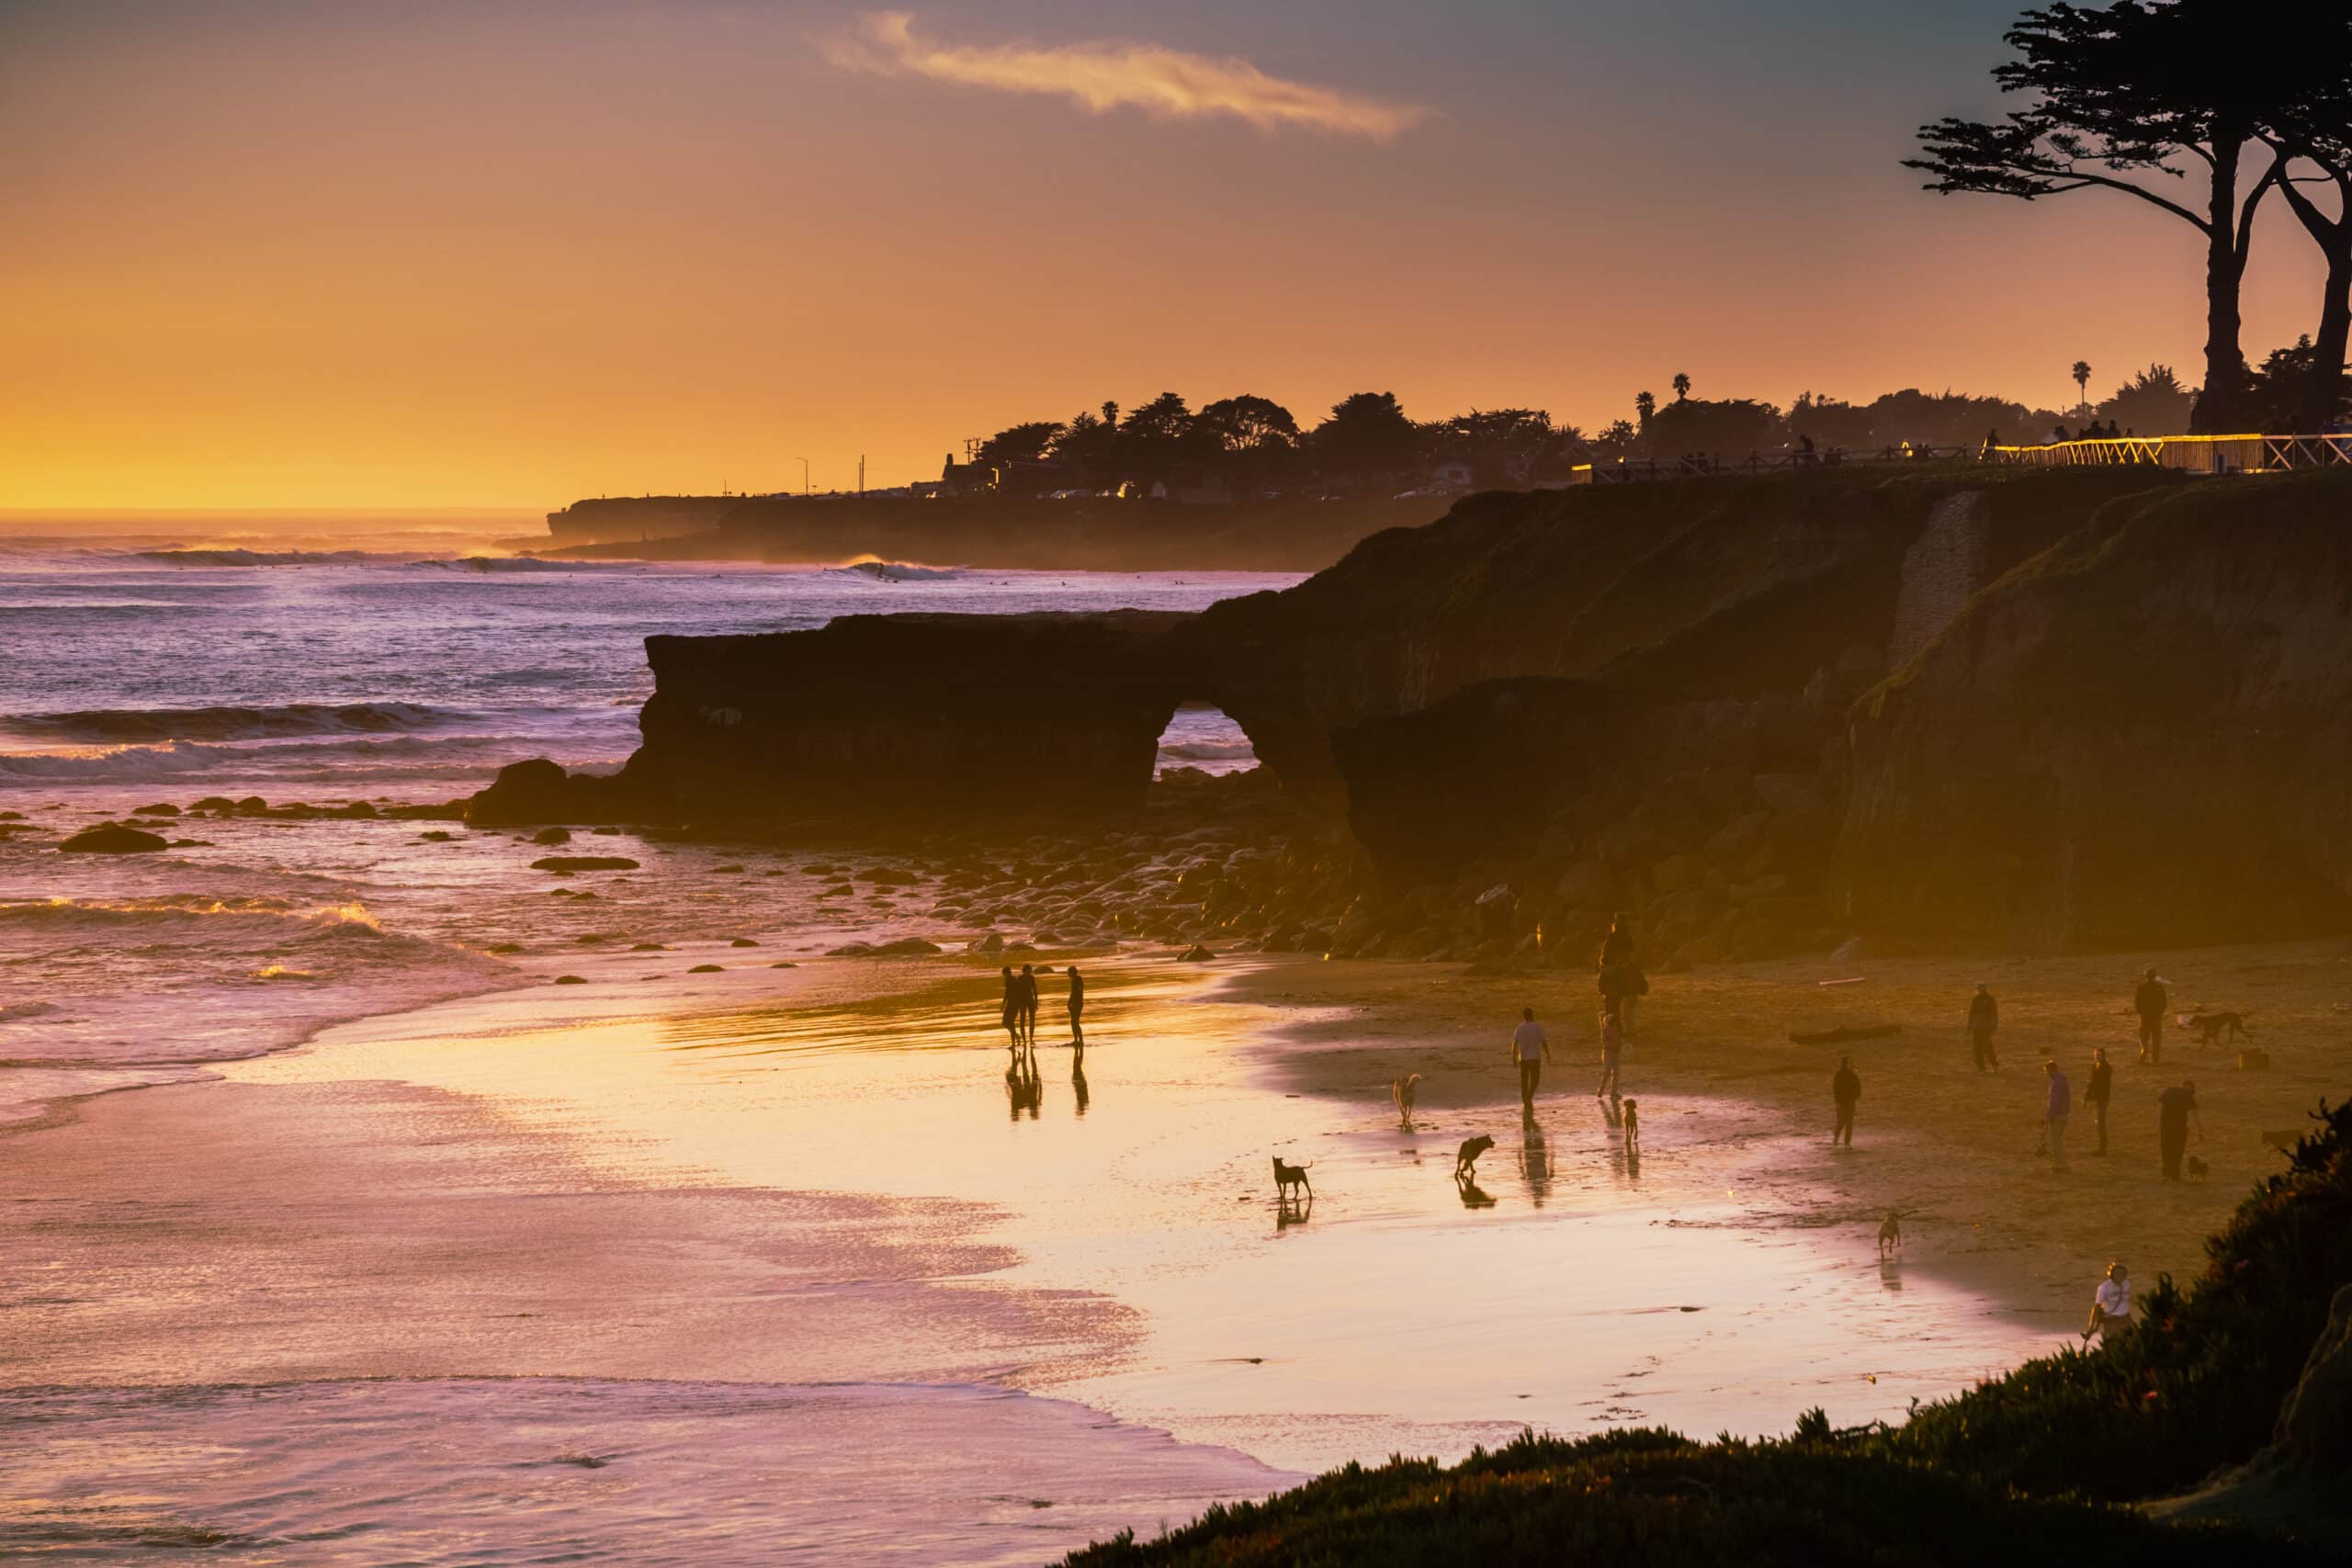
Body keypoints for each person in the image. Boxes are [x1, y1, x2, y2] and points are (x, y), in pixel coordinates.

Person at [1599, 914, 1646, 1038]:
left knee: (1613, 1007)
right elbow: (1633, 954)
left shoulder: (1613, 937)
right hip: (1625, 973)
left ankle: (1615, 1031)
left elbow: (1604, 957)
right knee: (1628, 1007)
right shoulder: (1628, 938)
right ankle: (1628, 1031)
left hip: (1614, 976)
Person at [2157, 1080, 2202, 1181]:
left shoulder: (2169, 1090)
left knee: (2166, 1149)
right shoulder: (2188, 1096)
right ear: (2190, 1089)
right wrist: (2199, 1132)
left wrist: (2161, 1123)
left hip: (2165, 1126)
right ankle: (2174, 1175)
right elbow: (2194, 1115)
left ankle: (2166, 1174)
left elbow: (2160, 1105)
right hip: (2179, 1127)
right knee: (2177, 1151)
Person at [1512, 1006, 1552, 1111]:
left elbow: (1515, 1043)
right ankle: (1528, 1097)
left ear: (1524, 1016)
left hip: (1523, 1058)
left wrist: (1513, 1058)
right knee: (1535, 1080)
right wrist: (1547, 1054)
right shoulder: (1537, 1027)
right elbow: (1543, 1041)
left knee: (1524, 1081)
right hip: (1534, 1058)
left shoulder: (1520, 1028)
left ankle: (1525, 1101)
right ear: (1532, 1015)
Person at [2082, 1261, 2132, 1341]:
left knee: (2133, 1341)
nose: (2120, 1276)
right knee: (2115, 1343)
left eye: (2122, 1274)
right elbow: (2097, 1307)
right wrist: (2091, 1327)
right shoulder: (2104, 1287)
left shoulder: (2127, 1284)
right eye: (2117, 1274)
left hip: (2126, 1318)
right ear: (2111, 1275)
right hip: (2111, 1321)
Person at [2134, 968, 2168, 1065]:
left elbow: (2137, 1001)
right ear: (2155, 976)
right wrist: (2160, 1013)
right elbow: (2164, 1002)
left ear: (2146, 976)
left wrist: (2141, 1012)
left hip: (2145, 1017)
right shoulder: (2159, 986)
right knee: (2156, 1039)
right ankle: (2155, 1060)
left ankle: (2142, 1058)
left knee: (2143, 1039)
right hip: (2156, 1017)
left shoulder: (2141, 987)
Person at [2042, 1058, 2072, 1166]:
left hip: (2058, 1116)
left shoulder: (2057, 1083)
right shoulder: (2063, 1080)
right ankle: (2061, 1163)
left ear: (2053, 1070)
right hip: (2064, 1114)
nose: (2048, 1074)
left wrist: (2050, 1115)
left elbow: (2055, 1101)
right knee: (2059, 1140)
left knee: (2056, 1141)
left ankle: (2060, 1164)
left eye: (2048, 1071)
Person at [2085, 1047, 2114, 1156]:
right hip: (2100, 1098)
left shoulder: (2105, 1068)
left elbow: (2097, 1083)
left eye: (2099, 1055)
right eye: (2096, 1055)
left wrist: (2089, 1092)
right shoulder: (2098, 1066)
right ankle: (2102, 1148)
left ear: (2103, 1056)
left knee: (2100, 1123)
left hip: (2101, 1098)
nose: (2097, 1057)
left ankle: (2102, 1149)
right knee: (2099, 1123)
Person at [1967, 984, 1999, 1072]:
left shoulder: (1990, 999)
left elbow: (1994, 1014)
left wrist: (1993, 1027)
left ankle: (1994, 1065)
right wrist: (1969, 1027)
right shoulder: (1975, 999)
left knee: (1987, 1047)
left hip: (1986, 1028)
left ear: (1985, 989)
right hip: (1976, 1027)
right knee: (1977, 1048)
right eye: (1979, 989)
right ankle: (1981, 1068)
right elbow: (1971, 1014)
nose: (1980, 990)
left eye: (1982, 988)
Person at [1831, 1055, 1860, 1146]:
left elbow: (1858, 1086)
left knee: (1849, 1123)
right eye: (1848, 1063)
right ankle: (1836, 1137)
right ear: (1844, 1064)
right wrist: (1837, 1102)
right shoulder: (1839, 1075)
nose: (1850, 1065)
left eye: (1850, 1063)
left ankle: (1847, 1143)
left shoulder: (1853, 1075)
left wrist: (1856, 1096)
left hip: (1851, 1102)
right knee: (1841, 1122)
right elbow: (1836, 1089)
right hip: (1841, 1102)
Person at [1596, 1009, 1623, 1100]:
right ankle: (1601, 1090)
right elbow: (1604, 1042)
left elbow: (1617, 1041)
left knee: (1616, 1073)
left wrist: (1619, 1045)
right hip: (1609, 1053)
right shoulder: (1606, 1030)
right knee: (1607, 1072)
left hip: (1615, 1052)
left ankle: (1613, 1093)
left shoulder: (1614, 1029)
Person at [999, 965, 1021, 1052]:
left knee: (1006, 1022)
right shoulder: (1015, 979)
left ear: (1006, 973)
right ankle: (1016, 1038)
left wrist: (1003, 1004)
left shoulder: (1008, 980)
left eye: (1004, 974)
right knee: (1010, 1022)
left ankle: (1014, 1041)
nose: (1003, 976)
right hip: (1016, 1004)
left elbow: (1007, 993)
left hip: (1011, 1004)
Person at [1017, 963, 1040, 1045]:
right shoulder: (1020, 978)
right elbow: (1017, 991)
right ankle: (1024, 1040)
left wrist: (1036, 1002)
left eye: (1029, 970)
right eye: (1028, 970)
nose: (1029, 972)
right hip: (1022, 1001)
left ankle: (1031, 1039)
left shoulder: (1031, 978)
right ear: (1024, 970)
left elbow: (1035, 991)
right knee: (1022, 1021)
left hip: (1030, 1000)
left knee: (1032, 1020)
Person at [1066, 964, 1085, 1046]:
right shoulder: (1074, 980)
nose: (1068, 975)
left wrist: (1072, 1003)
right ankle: (1076, 1040)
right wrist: (1069, 1002)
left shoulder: (1078, 979)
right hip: (1075, 1003)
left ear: (1072, 972)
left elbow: (1077, 992)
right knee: (1074, 1022)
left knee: (1075, 1022)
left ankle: (1079, 1040)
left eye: (1069, 973)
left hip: (1077, 1003)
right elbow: (1072, 993)